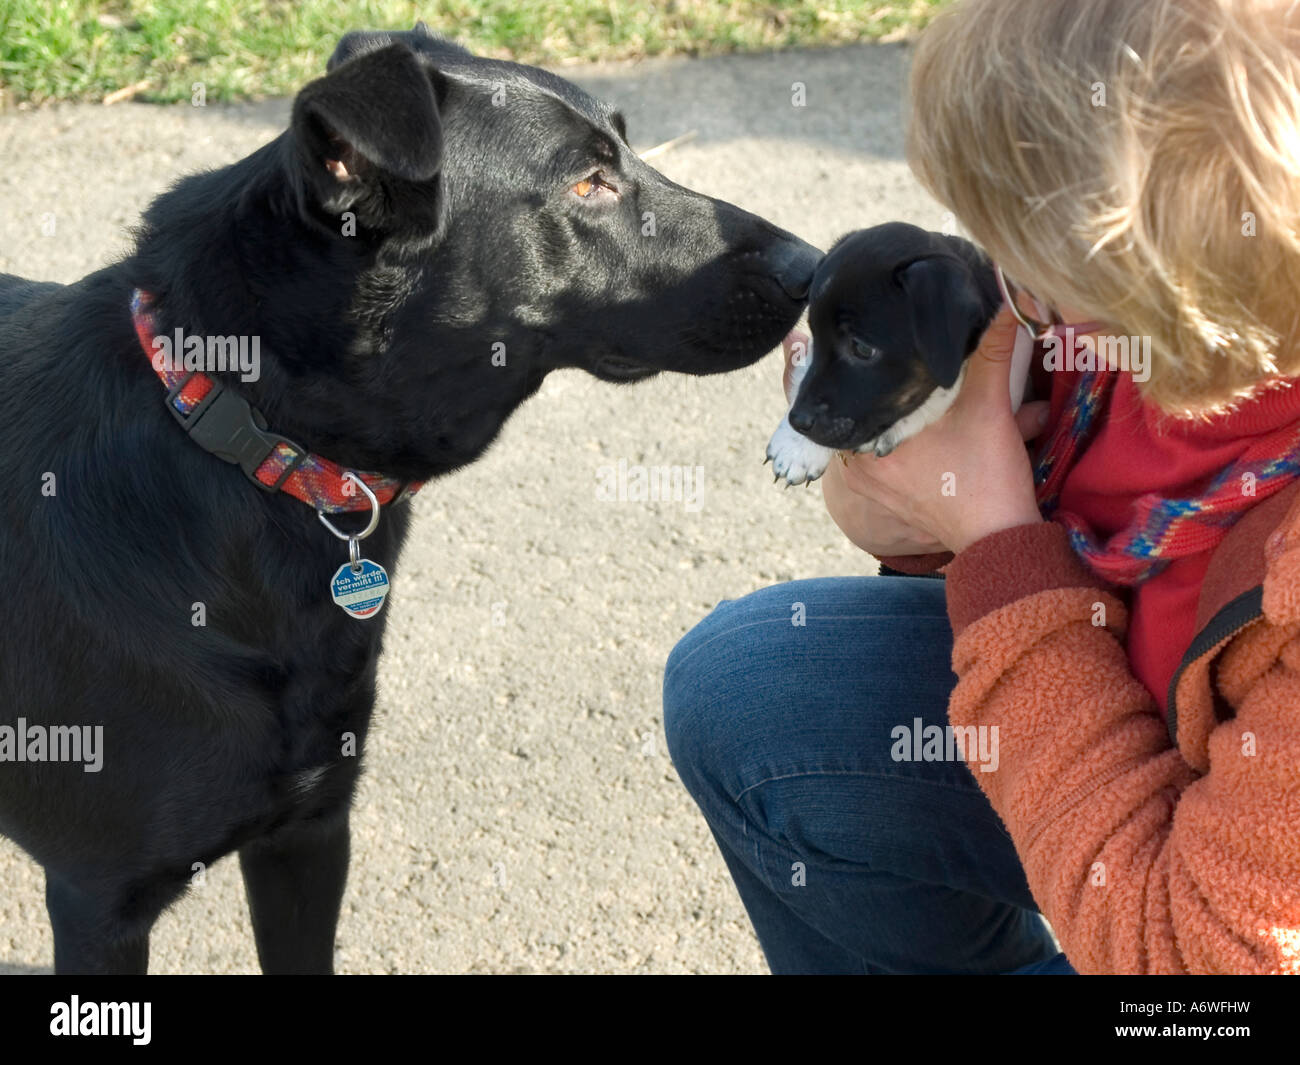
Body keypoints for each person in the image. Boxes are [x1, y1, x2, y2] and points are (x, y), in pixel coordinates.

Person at [663, 0, 1300, 974]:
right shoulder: (1190, 321)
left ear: (1181, 289)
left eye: (1035, 277)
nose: (1003, 288)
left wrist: (998, 546)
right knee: (756, 696)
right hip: (1132, 706)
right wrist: (916, 489)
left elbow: (1196, 963)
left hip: (1218, 926)